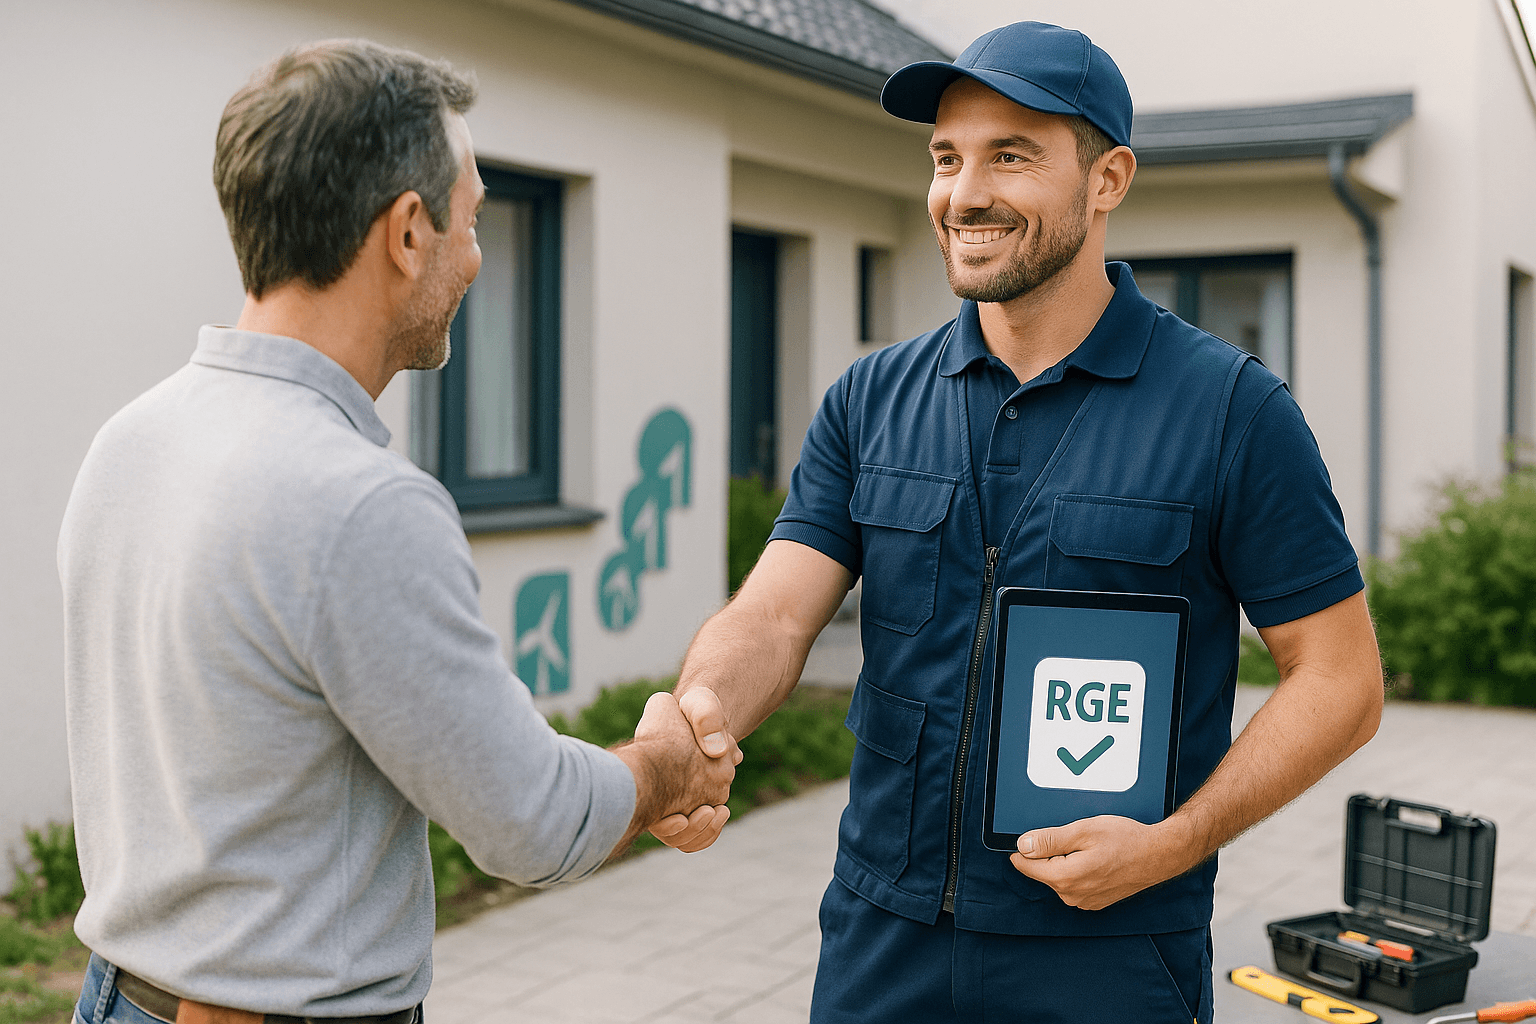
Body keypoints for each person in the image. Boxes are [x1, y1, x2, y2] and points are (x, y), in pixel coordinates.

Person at [650, 20, 1384, 1023]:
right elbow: (774, 617)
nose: (964, 194)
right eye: (947, 158)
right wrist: (698, 722)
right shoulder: (870, 399)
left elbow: (1341, 679)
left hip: (1111, 952)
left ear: (1108, 179)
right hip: (881, 940)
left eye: (1012, 155)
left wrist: (1178, 839)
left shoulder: (1233, 413)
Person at [58, 39, 732, 1024]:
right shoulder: (362, 503)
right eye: (472, 221)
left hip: (120, 999)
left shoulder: (130, 441)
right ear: (407, 232)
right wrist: (669, 762)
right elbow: (530, 820)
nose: (478, 257)